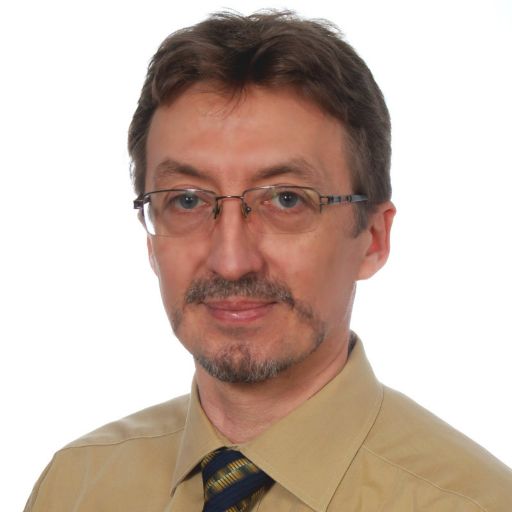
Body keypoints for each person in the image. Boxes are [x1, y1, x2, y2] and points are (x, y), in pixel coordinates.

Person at [24, 10, 512, 512]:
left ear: (372, 238)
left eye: (286, 199)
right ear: (151, 240)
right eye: (187, 200)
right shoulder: (75, 487)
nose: (231, 261)